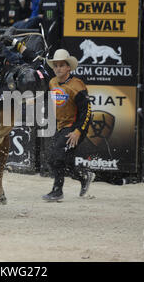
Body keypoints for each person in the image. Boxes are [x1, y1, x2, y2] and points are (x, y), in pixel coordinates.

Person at [41, 49, 95, 201]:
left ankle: (57, 191)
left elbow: (87, 111)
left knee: (55, 158)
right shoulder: (52, 82)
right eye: (56, 65)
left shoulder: (77, 85)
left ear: (68, 68)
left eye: (61, 65)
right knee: (66, 163)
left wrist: (78, 131)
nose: (58, 68)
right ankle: (84, 177)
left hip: (75, 126)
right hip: (62, 126)